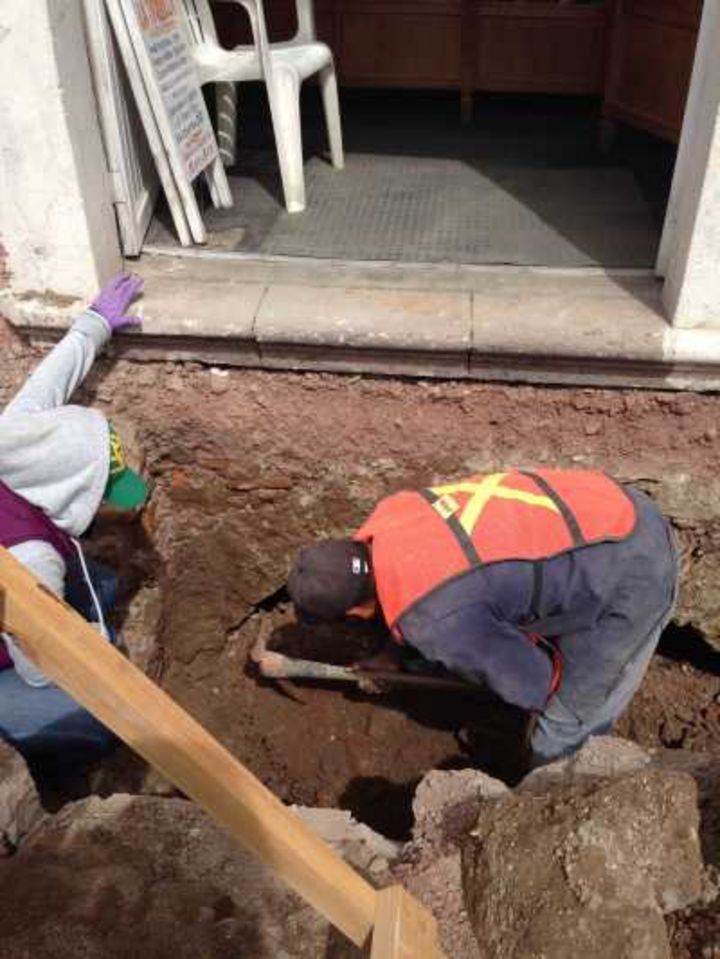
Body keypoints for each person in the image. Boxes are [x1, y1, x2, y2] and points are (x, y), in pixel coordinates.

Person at [287, 468, 679, 768]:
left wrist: (497, 679)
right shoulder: (394, 512)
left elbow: (536, 683)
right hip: (604, 504)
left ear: (355, 611)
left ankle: (556, 811)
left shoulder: (437, 622)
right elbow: (424, 589)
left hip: (633, 571)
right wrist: (394, 653)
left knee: (561, 729)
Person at [0, 273, 147, 761]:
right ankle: (69, 764)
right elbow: (42, 668)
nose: (109, 504)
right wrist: (94, 646)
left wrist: (95, 323)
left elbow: (49, 383)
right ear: (70, 491)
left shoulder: (13, 440)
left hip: (19, 593)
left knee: (102, 584)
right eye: (103, 493)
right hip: (20, 658)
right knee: (97, 713)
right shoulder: (32, 556)